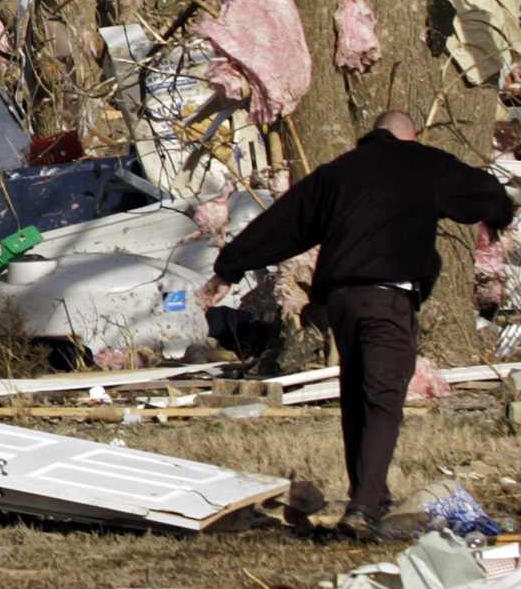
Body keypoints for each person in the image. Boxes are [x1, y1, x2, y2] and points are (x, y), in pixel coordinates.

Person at [205, 110, 512, 535]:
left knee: (356, 393)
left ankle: (369, 496)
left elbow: (283, 223)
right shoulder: (423, 163)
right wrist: (497, 215)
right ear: (412, 136)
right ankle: (364, 507)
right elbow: (485, 192)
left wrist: (229, 267)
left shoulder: (337, 173)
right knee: (383, 397)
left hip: (343, 303)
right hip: (389, 297)